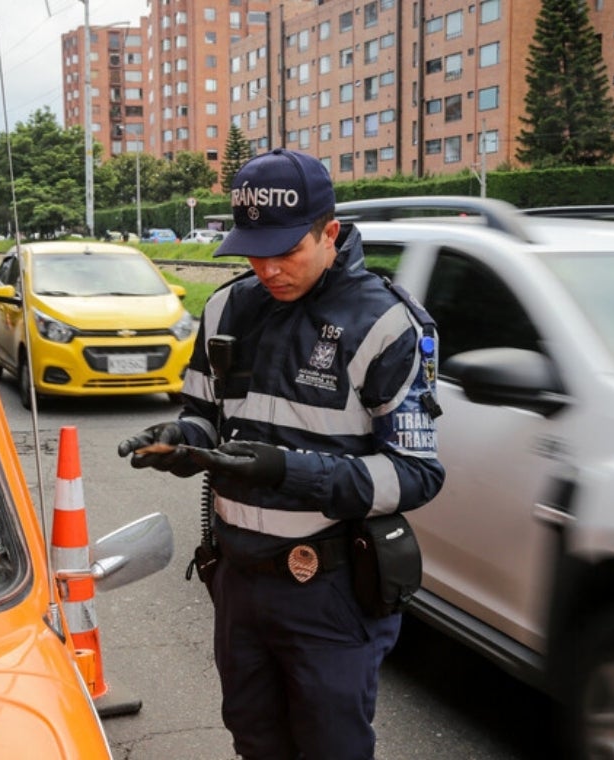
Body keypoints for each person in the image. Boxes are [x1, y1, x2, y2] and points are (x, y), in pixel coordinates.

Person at [117, 148, 445, 760]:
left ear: (330, 233)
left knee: (331, 748)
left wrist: (288, 471)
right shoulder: (225, 309)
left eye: (286, 250)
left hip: (330, 589)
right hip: (239, 582)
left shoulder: (382, 324)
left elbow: (416, 473)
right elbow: (205, 419)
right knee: (254, 739)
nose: (267, 268)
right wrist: (183, 444)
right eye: (253, 251)